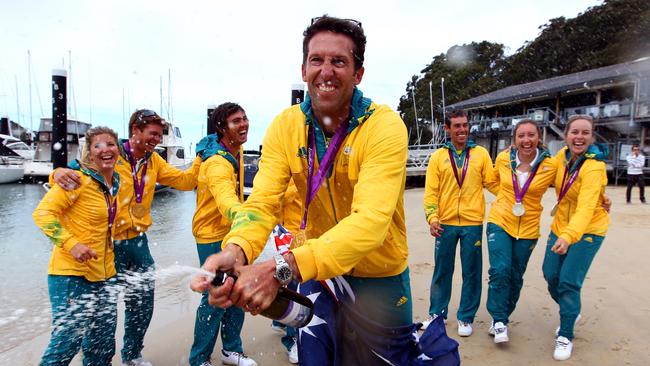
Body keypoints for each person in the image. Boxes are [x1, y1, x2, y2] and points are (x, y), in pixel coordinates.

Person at [190, 16, 459, 366]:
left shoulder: (384, 126)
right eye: (317, 60)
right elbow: (263, 202)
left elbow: (371, 221)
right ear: (303, 69)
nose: (326, 71)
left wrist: (279, 270)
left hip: (378, 275)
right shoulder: (285, 126)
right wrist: (237, 249)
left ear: (358, 73)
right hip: (317, 273)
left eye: (339, 61)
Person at [52, 109, 201, 366]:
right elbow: (73, 174)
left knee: (142, 302)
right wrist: (55, 173)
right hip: (108, 244)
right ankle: (96, 360)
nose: (157, 139)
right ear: (135, 130)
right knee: (104, 310)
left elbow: (186, 182)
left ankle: (132, 355)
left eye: (160, 134)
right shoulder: (110, 155)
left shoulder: (154, 161)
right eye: (152, 134)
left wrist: (201, 158)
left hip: (139, 242)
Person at [33, 126, 121, 365]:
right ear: (89, 154)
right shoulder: (77, 180)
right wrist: (72, 244)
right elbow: (42, 215)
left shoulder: (115, 182)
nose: (105, 150)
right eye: (98, 146)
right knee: (66, 343)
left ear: (118, 149)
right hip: (71, 275)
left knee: (102, 345)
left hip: (105, 275)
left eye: (110, 144)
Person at [189, 102, 256, 366]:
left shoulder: (234, 151)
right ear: (221, 128)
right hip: (212, 237)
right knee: (214, 300)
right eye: (236, 121)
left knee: (237, 292)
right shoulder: (217, 162)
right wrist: (243, 216)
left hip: (233, 235)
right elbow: (225, 197)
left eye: (244, 118)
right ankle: (199, 359)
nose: (244, 124)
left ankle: (231, 350)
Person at [422, 109, 497, 337]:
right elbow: (431, 192)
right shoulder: (438, 158)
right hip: (444, 222)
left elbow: (493, 183)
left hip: (472, 222)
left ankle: (466, 317)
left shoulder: (481, 154)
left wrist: (518, 190)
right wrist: (432, 218)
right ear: (448, 129)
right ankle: (437, 314)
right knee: (442, 270)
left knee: (472, 272)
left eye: (465, 125)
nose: (462, 130)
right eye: (456, 126)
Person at [542, 114, 609, 361]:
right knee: (551, 275)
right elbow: (543, 172)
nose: (579, 137)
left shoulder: (595, 166)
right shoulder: (561, 158)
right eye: (574, 132)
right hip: (560, 225)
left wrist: (569, 236)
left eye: (585, 133)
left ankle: (566, 335)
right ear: (566, 135)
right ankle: (572, 310)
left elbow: (586, 206)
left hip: (589, 230)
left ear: (591, 137)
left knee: (569, 281)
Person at [484, 119, 556, 343]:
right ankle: (498, 321)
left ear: (538, 138)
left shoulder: (550, 166)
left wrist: (602, 197)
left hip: (528, 227)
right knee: (500, 270)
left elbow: (570, 186)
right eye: (521, 136)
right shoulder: (504, 158)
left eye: (531, 135)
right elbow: (492, 180)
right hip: (500, 220)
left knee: (515, 276)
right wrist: (508, 199)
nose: (526, 140)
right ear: (514, 140)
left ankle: (502, 316)